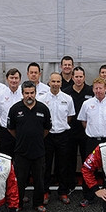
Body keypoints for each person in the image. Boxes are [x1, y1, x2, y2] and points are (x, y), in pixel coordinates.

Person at [8, 81, 52, 212]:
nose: (29, 96)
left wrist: (36, 138)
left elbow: (46, 129)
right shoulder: (15, 109)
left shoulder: (43, 109)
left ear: (35, 93)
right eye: (26, 93)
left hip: (38, 151)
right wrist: (23, 138)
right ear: (22, 94)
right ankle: (18, 204)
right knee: (20, 181)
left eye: (32, 93)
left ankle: (38, 203)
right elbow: (11, 129)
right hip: (21, 151)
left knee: (39, 180)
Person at [77, 77, 106, 207]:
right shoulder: (87, 104)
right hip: (92, 140)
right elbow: (84, 122)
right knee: (89, 168)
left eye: (100, 88)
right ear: (93, 89)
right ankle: (88, 196)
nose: (98, 91)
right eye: (96, 88)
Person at [40, 72, 76, 204]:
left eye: (58, 82)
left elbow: (69, 117)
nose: (55, 84)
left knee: (63, 165)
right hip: (47, 135)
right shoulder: (42, 99)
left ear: (61, 83)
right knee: (46, 165)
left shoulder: (67, 98)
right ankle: (45, 192)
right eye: (53, 81)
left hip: (63, 135)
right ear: (49, 82)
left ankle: (63, 192)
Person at [0, 67, 23, 156]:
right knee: (6, 157)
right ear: (7, 79)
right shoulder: (0, 95)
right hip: (5, 132)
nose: (14, 80)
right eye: (11, 78)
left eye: (16, 78)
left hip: (21, 132)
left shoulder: (24, 94)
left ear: (20, 80)